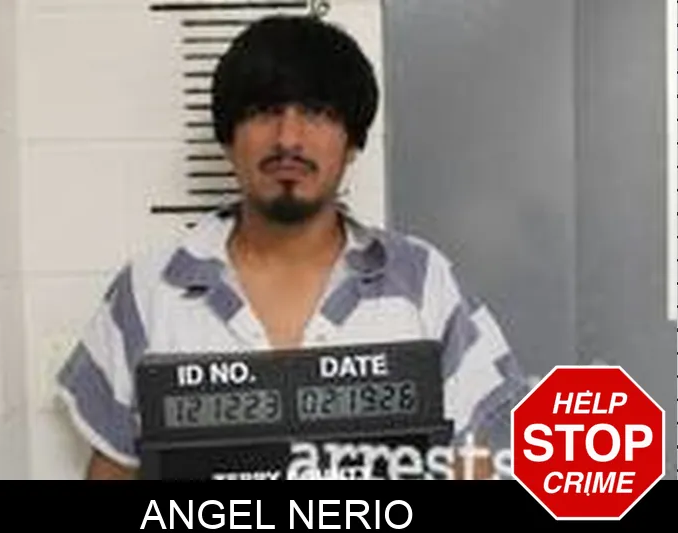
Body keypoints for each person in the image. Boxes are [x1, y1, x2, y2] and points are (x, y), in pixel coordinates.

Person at [56, 14, 530, 480]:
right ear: (228, 138)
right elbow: (112, 471)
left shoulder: (423, 281)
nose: (288, 138)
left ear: (352, 142)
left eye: (317, 112)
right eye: (264, 112)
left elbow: (485, 456)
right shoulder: (149, 292)